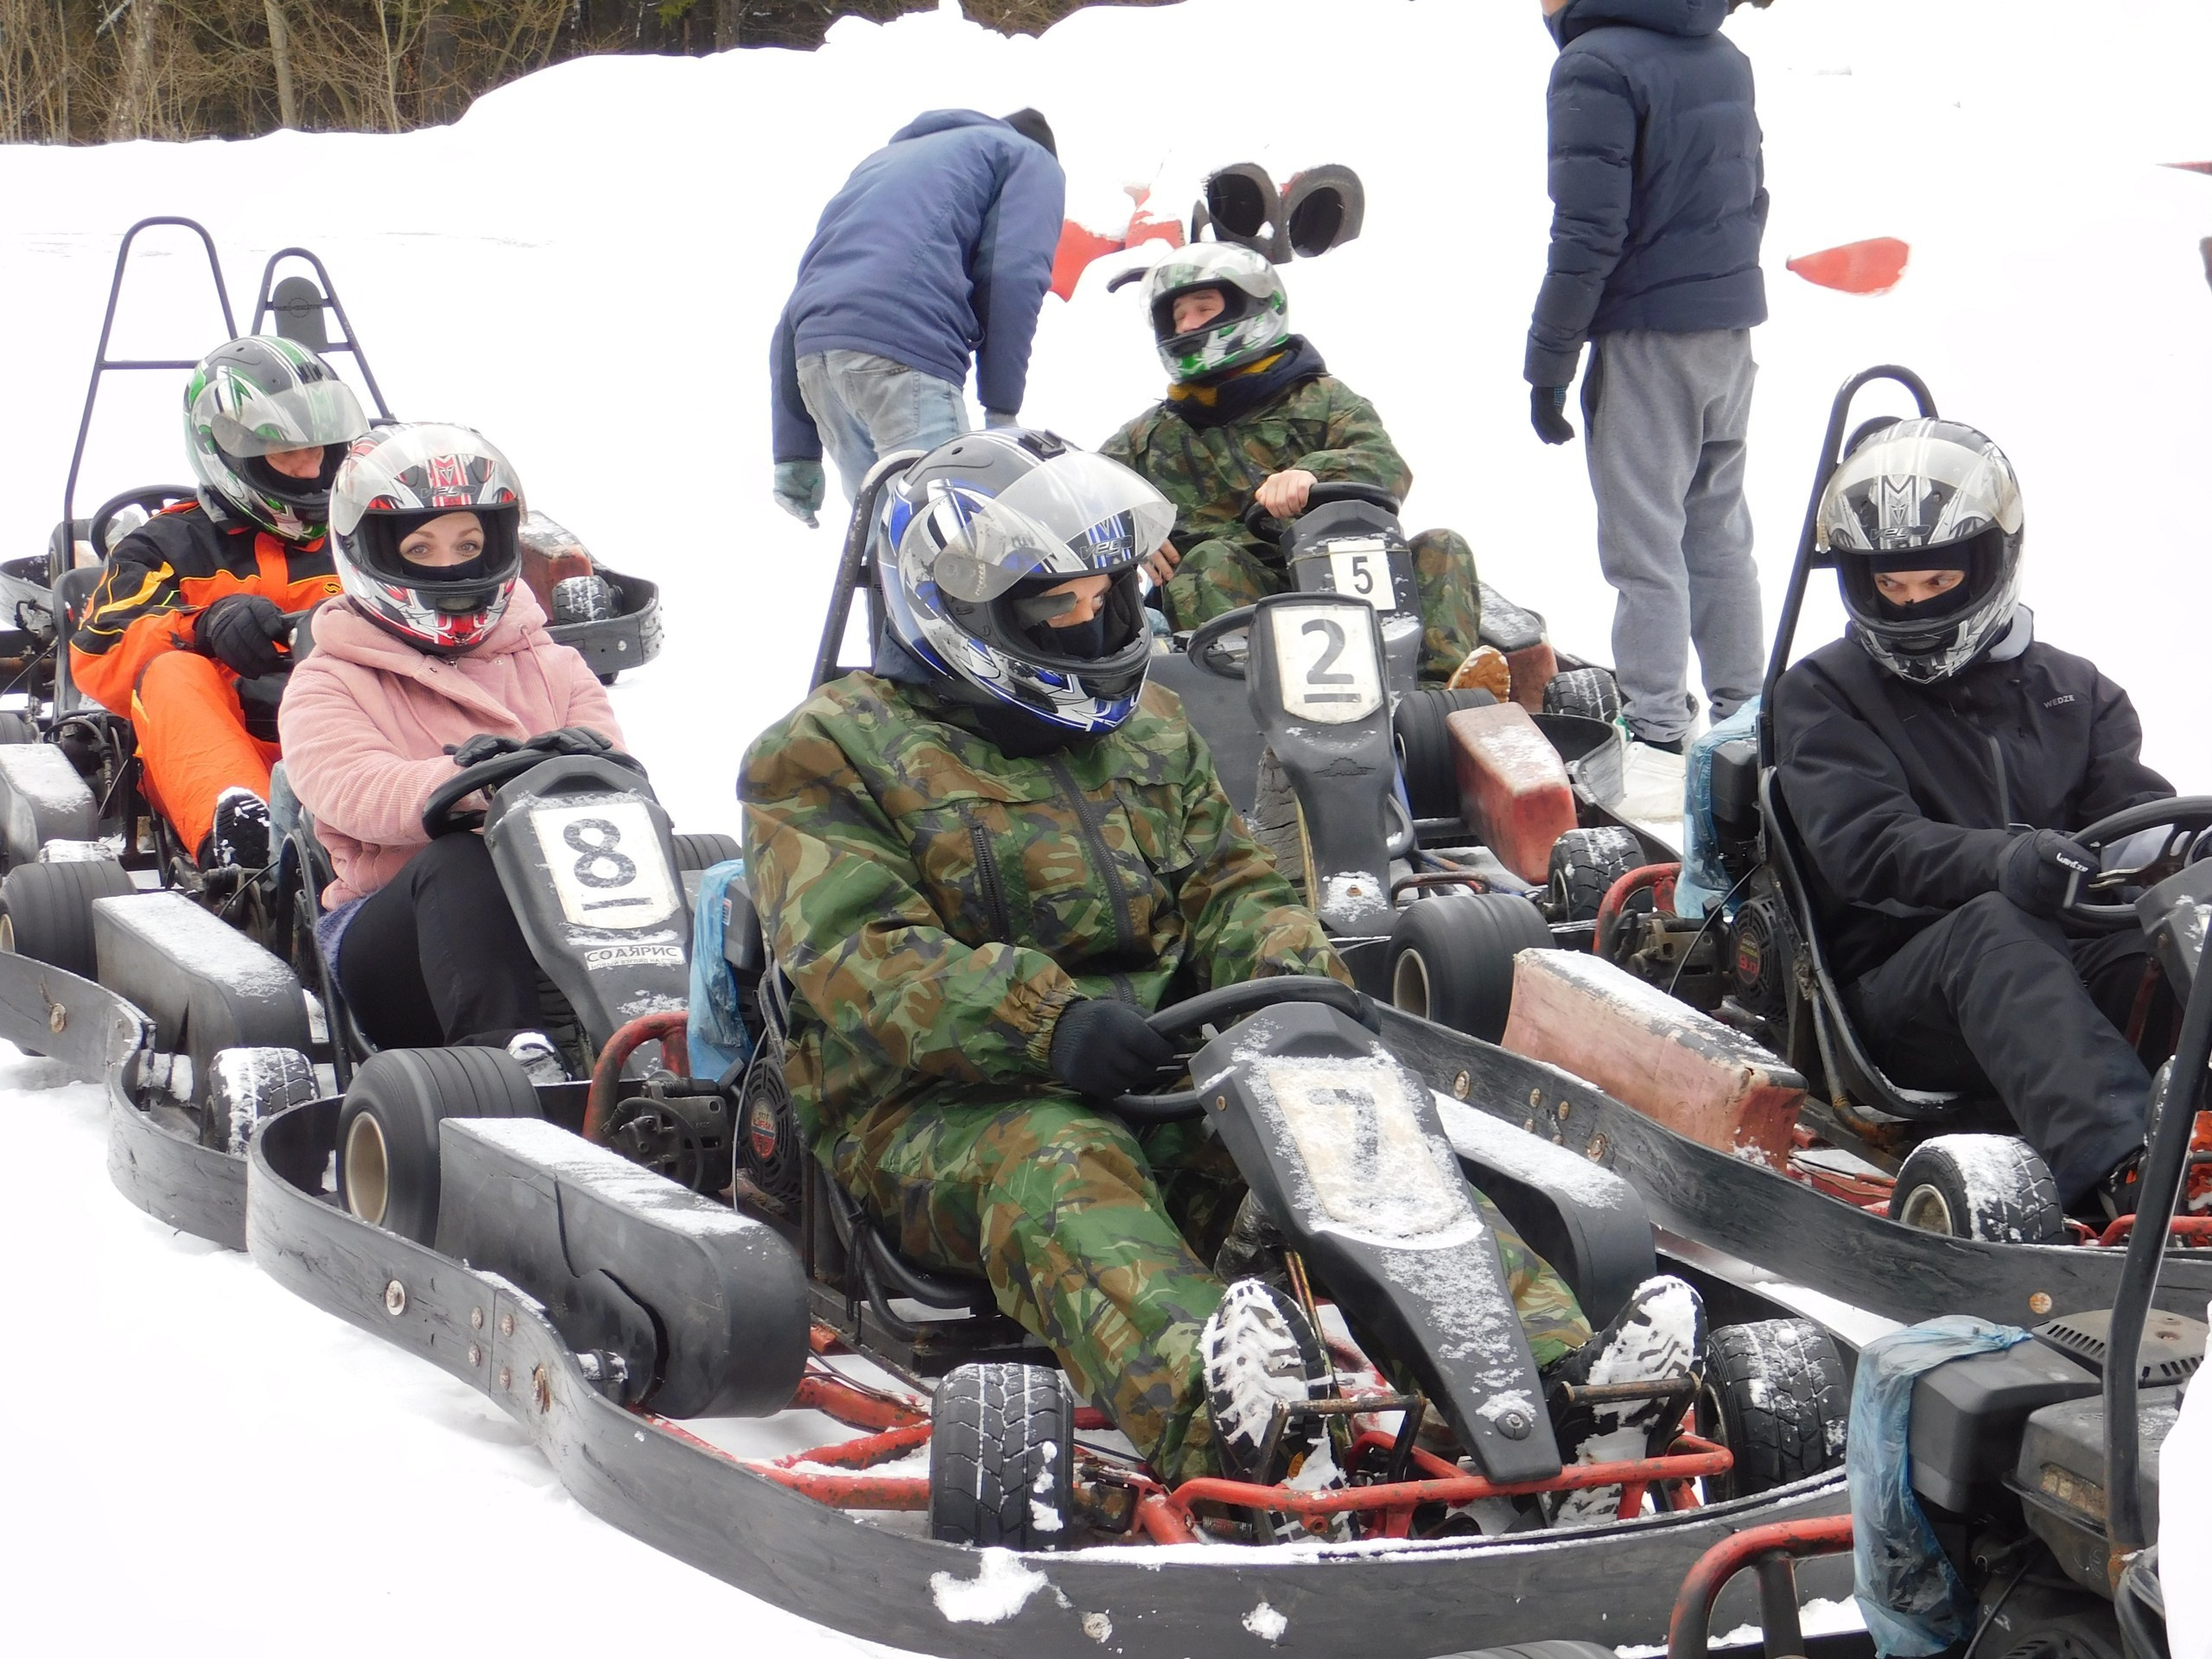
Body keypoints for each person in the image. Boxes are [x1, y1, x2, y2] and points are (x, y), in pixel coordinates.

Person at [741, 428, 1698, 1499]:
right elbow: (856, 958)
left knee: (1349, 1129)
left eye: (1106, 594)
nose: (1094, 619)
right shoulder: (825, 751)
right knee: (1061, 1161)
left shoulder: (1145, 737)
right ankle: (1251, 1440)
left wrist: (1300, 1001)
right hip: (941, 1107)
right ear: (959, 610)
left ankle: (1558, 1392)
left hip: (1163, 1071)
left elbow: (1235, 892)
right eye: (1057, 604)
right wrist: (1044, 1022)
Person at [1774, 418, 2172, 1220]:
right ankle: (2131, 1175)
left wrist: (2176, 858)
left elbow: (2138, 823)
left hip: (2052, 975)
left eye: (1936, 582)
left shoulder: (2076, 692)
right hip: (1893, 997)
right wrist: (2008, 862)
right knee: (1997, 927)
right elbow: (1869, 848)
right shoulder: (1825, 694)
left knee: (2162, 938)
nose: (1914, 605)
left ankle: (2189, 1135)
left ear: (1990, 562)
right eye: (1892, 587)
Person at [278, 423, 621, 1085]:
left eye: (470, 543)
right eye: (421, 546)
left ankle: (698, 1042)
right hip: (397, 944)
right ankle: (510, 1065)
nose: (453, 565)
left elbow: (619, 775)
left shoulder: (556, 663)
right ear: (369, 554)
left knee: (698, 860)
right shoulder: (329, 678)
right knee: (462, 857)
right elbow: (348, 786)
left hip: (570, 914)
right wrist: (469, 780)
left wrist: (581, 766)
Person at [1525, 0, 1770, 752]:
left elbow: (1589, 230)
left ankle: (1659, 731)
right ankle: (1746, 718)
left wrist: (1551, 359)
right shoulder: (1721, 53)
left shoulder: (1593, 66)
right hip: (1725, 331)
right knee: (1717, 532)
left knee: (1646, 545)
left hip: (1647, 337)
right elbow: (1752, 196)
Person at [1098, 245, 1483, 685]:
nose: (1186, 325)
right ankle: (1263, 709)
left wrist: (1312, 474)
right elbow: (1081, 492)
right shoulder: (1147, 436)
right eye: (1177, 315)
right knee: (1209, 558)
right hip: (1229, 603)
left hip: (1337, 570)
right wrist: (1128, 529)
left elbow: (1384, 464)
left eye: (1203, 308)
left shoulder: (1323, 398)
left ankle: (1441, 699)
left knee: (1442, 544)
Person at [71, 334, 369, 869]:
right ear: (229, 452)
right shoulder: (164, 545)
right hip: (230, 749)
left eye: (321, 449)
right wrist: (204, 626)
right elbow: (100, 652)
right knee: (172, 674)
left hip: (367, 741)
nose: (309, 468)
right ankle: (249, 851)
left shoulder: (370, 535)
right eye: (287, 451)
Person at [769, 108, 1065, 526]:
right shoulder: (1029, 158)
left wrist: (794, 450)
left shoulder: (881, 164)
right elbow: (1012, 273)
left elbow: (804, 295)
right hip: (905, 352)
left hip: (815, 358)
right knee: (948, 544)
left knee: (886, 550)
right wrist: (1001, 409)